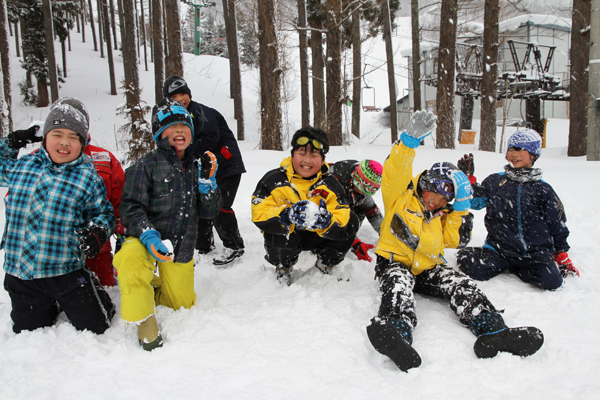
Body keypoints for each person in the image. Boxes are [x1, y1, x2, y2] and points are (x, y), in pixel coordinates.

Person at [366, 111, 544, 372]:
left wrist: (460, 209)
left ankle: (494, 329)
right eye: (434, 191)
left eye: (445, 197)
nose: (436, 200)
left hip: (429, 266)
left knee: (459, 283)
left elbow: (453, 240)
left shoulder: (443, 213)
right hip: (396, 262)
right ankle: (396, 332)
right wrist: (408, 142)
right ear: (424, 182)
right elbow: (395, 170)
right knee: (397, 286)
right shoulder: (401, 197)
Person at [114, 98, 221, 351]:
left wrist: (208, 185)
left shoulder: (197, 166)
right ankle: (144, 319)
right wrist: (148, 234)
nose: (180, 131)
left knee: (180, 304)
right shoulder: (145, 166)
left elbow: (209, 212)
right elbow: (130, 207)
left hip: (180, 246)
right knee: (129, 259)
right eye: (172, 126)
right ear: (160, 133)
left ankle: (153, 285)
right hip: (144, 238)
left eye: (185, 126)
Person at [0, 103, 116, 334]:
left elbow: (104, 214)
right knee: (27, 329)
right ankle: (46, 305)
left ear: (83, 144)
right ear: (45, 138)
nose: (64, 142)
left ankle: (92, 293)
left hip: (65, 271)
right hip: (21, 272)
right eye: (57, 134)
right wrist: (11, 143)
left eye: (73, 137)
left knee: (96, 325)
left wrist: (98, 231)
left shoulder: (87, 177)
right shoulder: (23, 166)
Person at [456, 129, 575, 290]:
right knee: (473, 268)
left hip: (534, 252)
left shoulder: (543, 189)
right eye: (510, 149)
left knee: (552, 281)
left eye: (519, 149)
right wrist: (468, 182)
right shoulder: (495, 181)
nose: (513, 154)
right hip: (500, 249)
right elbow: (475, 202)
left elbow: (556, 221)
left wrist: (561, 252)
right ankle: (506, 263)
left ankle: (521, 266)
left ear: (533, 154)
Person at [251, 126, 360, 285]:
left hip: (317, 235)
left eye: (314, 155)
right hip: (289, 236)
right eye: (301, 153)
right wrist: (286, 216)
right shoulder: (273, 180)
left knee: (351, 220)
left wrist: (327, 222)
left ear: (323, 160)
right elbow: (259, 213)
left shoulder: (330, 184)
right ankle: (283, 267)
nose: (307, 160)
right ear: (292, 154)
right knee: (275, 229)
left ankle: (326, 263)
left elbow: (342, 215)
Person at [163, 75, 246, 266]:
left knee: (219, 205)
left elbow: (211, 138)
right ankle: (203, 246)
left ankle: (234, 245)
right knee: (200, 205)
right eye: (175, 97)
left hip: (226, 166)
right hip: (206, 171)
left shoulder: (201, 112)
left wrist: (186, 151)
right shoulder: (177, 118)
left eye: (183, 94)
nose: (181, 99)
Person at [51, 97, 125, 287]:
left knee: (104, 294)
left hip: (96, 248)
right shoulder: (40, 159)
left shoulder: (103, 158)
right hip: (51, 252)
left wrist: (124, 235)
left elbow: (121, 201)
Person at [329, 159, 383, 262]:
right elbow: (334, 219)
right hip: (320, 214)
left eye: (370, 191)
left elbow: (372, 211)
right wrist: (355, 243)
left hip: (346, 198)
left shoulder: (361, 182)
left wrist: (385, 232)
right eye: (365, 189)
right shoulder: (334, 183)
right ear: (357, 180)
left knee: (360, 208)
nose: (365, 193)